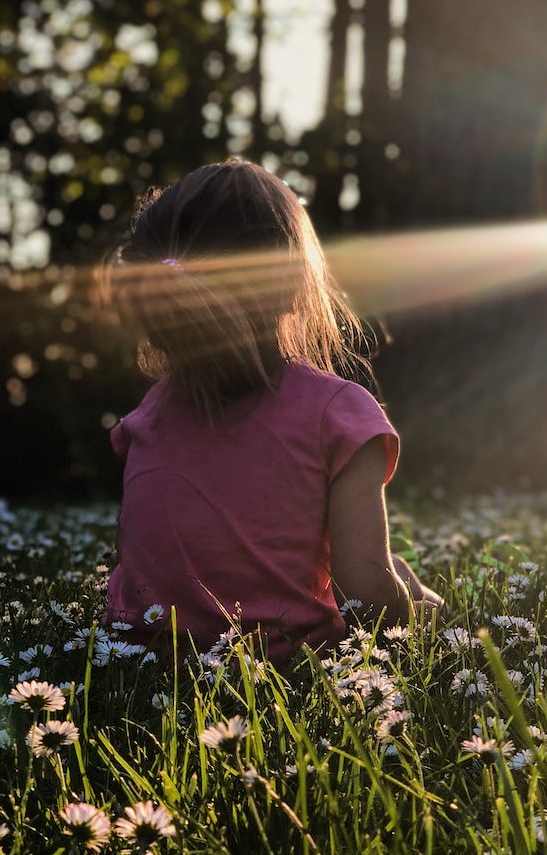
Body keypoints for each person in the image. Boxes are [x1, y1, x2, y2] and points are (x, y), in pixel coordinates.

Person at [100, 158, 443, 665]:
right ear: (288, 285)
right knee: (400, 578)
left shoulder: (147, 418)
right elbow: (367, 596)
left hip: (144, 663)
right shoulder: (338, 415)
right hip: (286, 669)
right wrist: (425, 613)